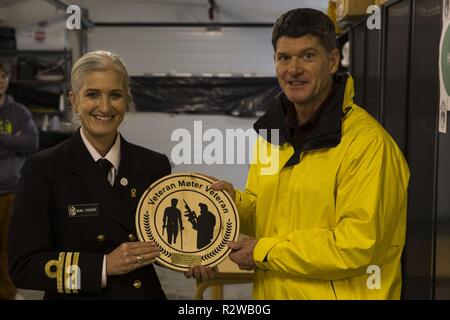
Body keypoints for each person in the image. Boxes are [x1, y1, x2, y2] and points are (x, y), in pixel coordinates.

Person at [210, 8, 409, 299]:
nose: (293, 69)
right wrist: (230, 205)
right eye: (284, 57)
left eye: (307, 56)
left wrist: (263, 251)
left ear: (332, 61)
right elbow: (266, 214)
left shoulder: (368, 146)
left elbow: (355, 246)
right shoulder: (272, 136)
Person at [8, 51, 171, 299]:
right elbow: (23, 267)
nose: (104, 107)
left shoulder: (154, 165)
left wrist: (193, 257)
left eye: (115, 95)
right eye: (92, 94)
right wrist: (102, 267)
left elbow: (161, 245)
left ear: (126, 101)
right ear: (74, 100)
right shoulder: (44, 169)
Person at [0, 62, 39, 300]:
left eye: (2, 76)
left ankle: (6, 293)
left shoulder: (19, 112)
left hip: (11, 192)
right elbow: (21, 144)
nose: (0, 80)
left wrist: (2, 139)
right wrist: (13, 142)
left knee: (7, 248)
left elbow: (32, 143)